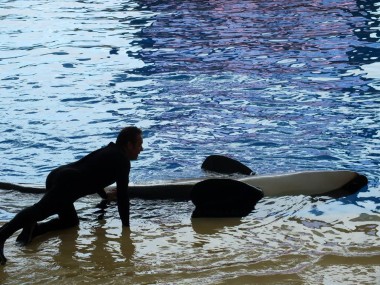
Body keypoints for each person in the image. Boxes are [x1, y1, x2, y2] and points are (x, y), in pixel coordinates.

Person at [0, 126, 143, 265]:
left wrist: (105, 196)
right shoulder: (122, 161)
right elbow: (123, 198)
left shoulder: (111, 151)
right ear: (129, 145)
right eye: (139, 144)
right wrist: (126, 229)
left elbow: (96, 172)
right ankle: (2, 235)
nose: (141, 149)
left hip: (60, 175)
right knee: (40, 210)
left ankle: (35, 229)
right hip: (66, 183)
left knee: (70, 222)